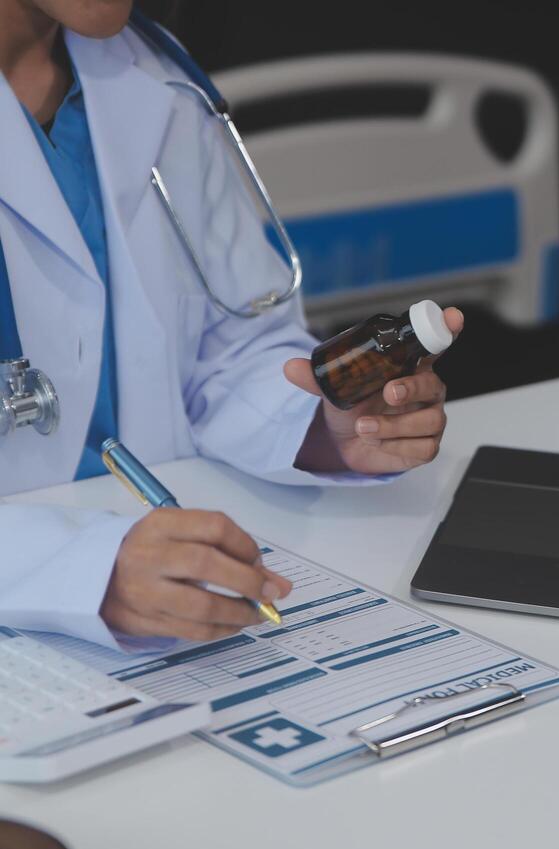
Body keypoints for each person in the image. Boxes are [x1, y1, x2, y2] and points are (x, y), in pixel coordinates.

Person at [0, 0, 463, 648]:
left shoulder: (152, 77)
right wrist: (75, 571)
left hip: (169, 586)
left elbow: (230, 342)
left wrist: (324, 425)